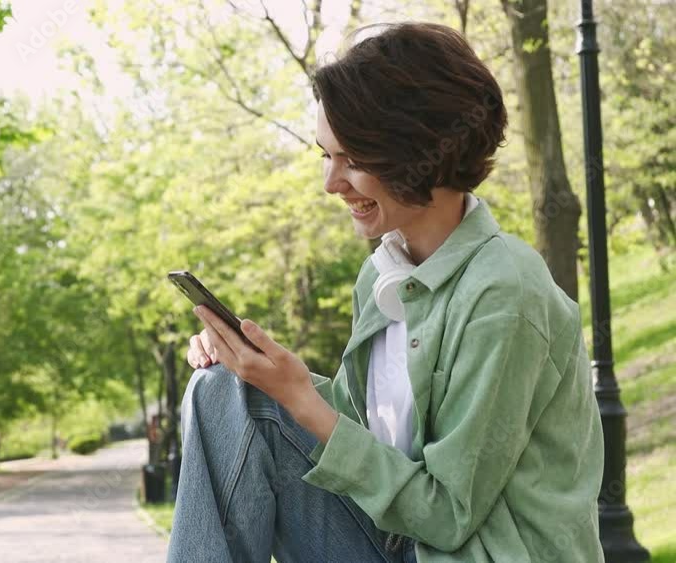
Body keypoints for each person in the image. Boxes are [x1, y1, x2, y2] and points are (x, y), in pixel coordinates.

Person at [167, 22, 604, 563]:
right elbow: (360, 439)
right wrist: (268, 373)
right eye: (326, 157)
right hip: (393, 540)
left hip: (462, 550)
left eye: (353, 160)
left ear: (417, 150)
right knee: (223, 391)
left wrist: (302, 399)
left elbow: (448, 515)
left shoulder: (504, 294)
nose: (331, 182)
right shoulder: (383, 274)